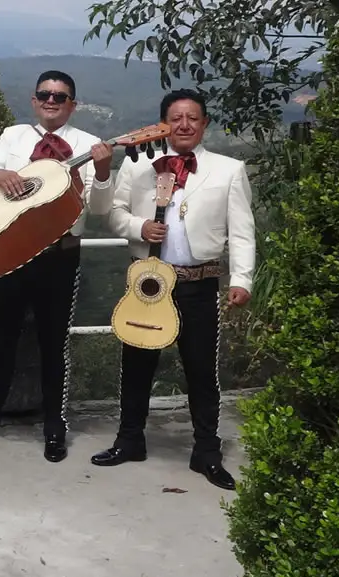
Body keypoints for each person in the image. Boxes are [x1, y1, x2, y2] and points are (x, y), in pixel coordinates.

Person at [90, 89, 255, 491]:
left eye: (192, 118)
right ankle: (130, 440)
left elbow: (243, 231)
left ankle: (206, 452)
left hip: (199, 284)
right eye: (175, 118)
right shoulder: (138, 167)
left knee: (201, 370)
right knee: (137, 366)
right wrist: (138, 228)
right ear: (163, 124)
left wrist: (242, 280)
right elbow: (106, 214)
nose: (184, 125)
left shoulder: (229, 170)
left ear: (204, 124)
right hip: (146, 283)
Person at [0, 70, 116, 464]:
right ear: (34, 100)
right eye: (45, 94)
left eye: (60, 97)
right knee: (1, 337)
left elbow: (99, 209)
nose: (51, 101)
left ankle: (54, 424)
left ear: (72, 105)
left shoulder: (89, 145)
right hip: (9, 252)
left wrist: (105, 172)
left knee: (53, 342)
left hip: (60, 255)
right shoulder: (14, 137)